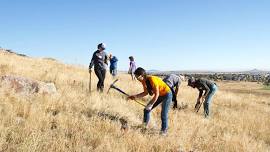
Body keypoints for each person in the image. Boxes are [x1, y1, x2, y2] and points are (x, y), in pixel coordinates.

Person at [128, 67, 172, 135]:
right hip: (160, 95)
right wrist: (135, 96)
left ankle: (164, 131)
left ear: (142, 75)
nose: (137, 79)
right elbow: (145, 93)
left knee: (164, 113)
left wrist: (150, 104)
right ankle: (144, 126)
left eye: (137, 77)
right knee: (146, 110)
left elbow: (156, 94)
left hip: (167, 94)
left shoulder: (152, 79)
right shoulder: (143, 81)